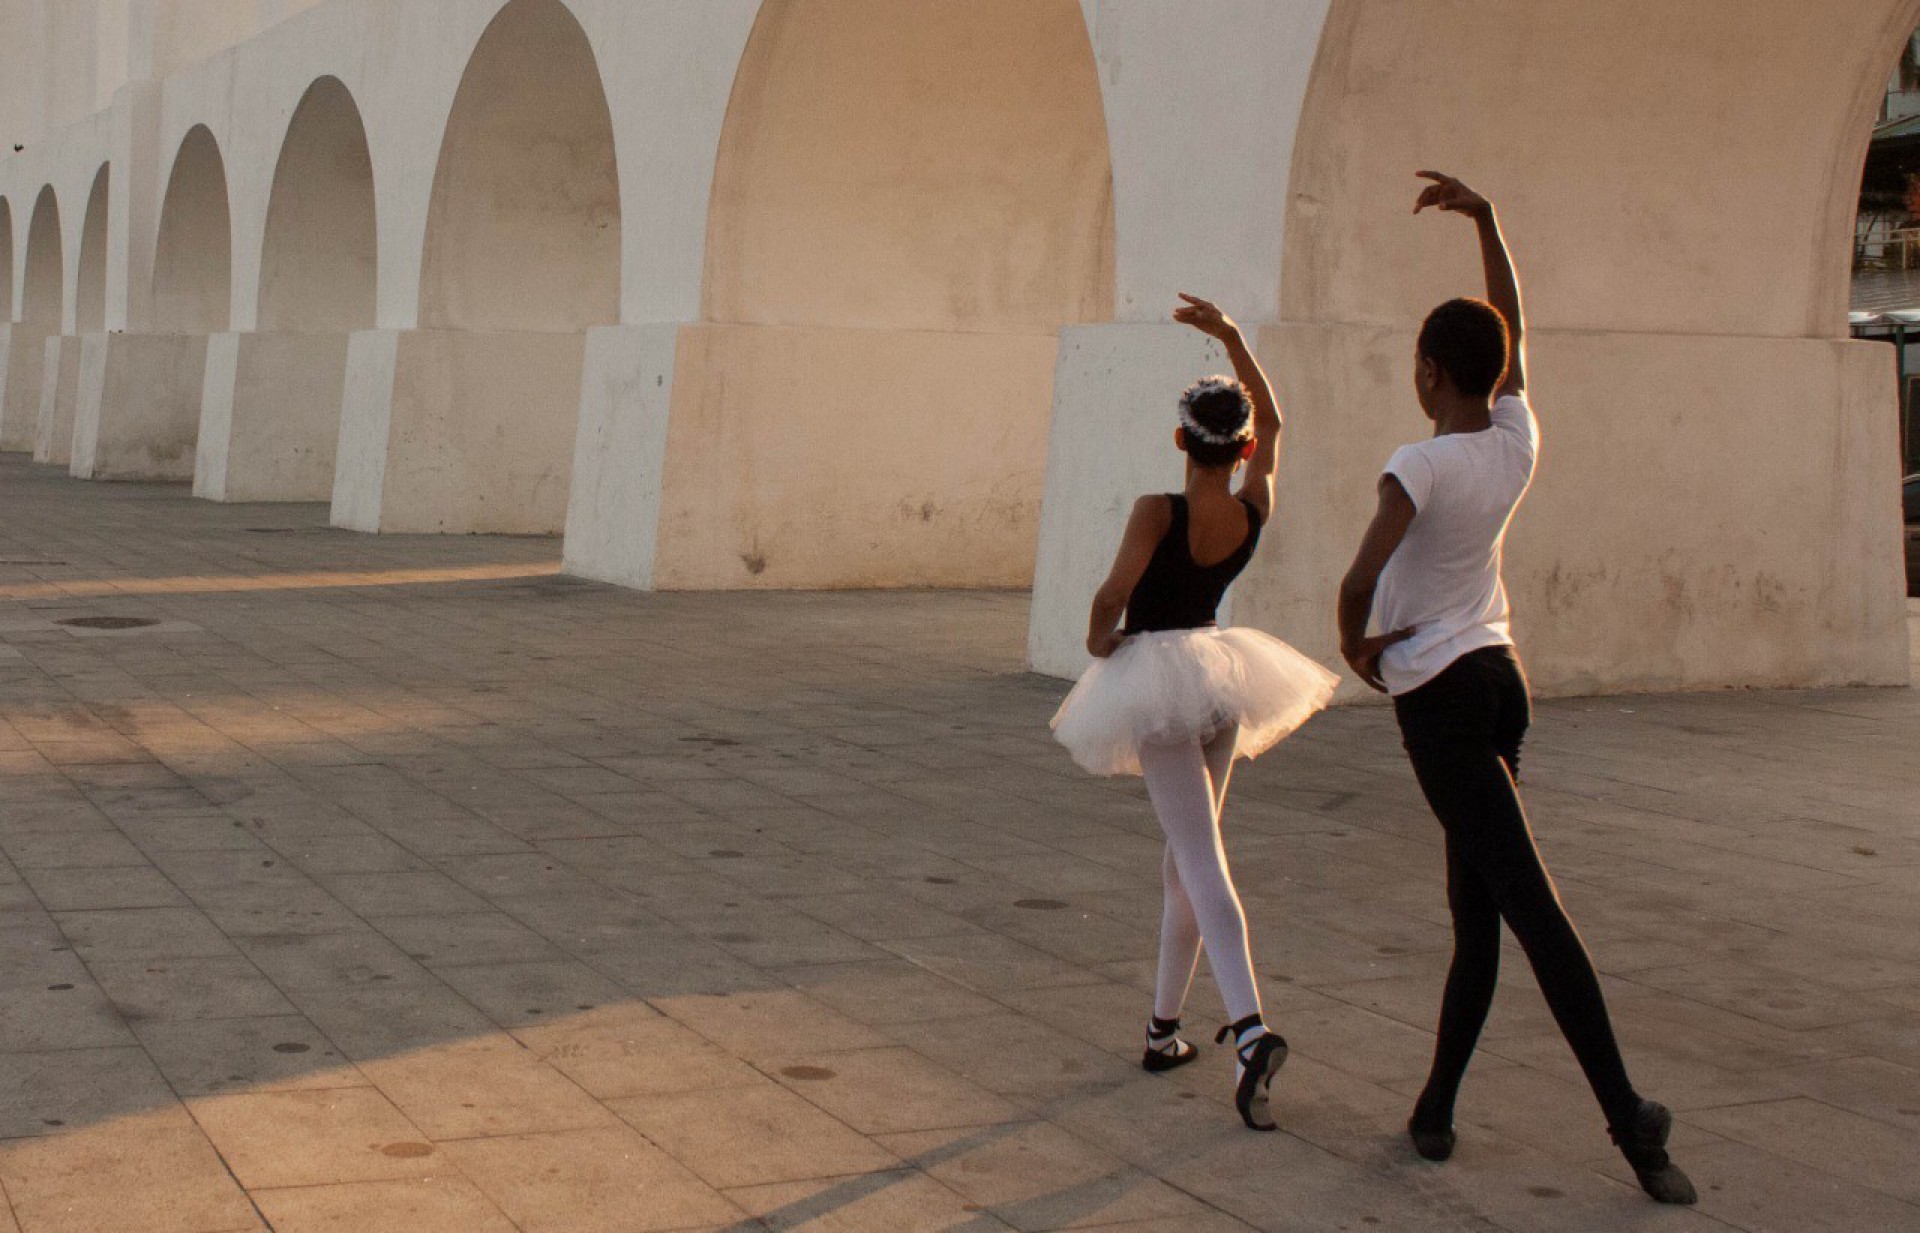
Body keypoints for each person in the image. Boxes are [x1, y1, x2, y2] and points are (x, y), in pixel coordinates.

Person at [1336, 171, 1696, 1204]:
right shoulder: (1514, 440)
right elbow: (1516, 332)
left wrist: (1355, 648)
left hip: (1443, 702)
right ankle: (1434, 1110)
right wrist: (1488, 222)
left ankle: (1632, 1123)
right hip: (1499, 681)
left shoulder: (1423, 461)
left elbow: (1359, 578)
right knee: (1480, 913)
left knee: (1527, 909)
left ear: (1432, 371)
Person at [1052, 295, 1341, 1131]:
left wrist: (1101, 645)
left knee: (1201, 857)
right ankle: (1163, 1029)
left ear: (1183, 440)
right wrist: (1234, 340)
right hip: (1218, 672)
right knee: (1185, 858)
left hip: (1156, 675)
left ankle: (1250, 1028)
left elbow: (1113, 594)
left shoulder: (1159, 509)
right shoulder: (1252, 508)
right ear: (1242, 446)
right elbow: (1278, 425)